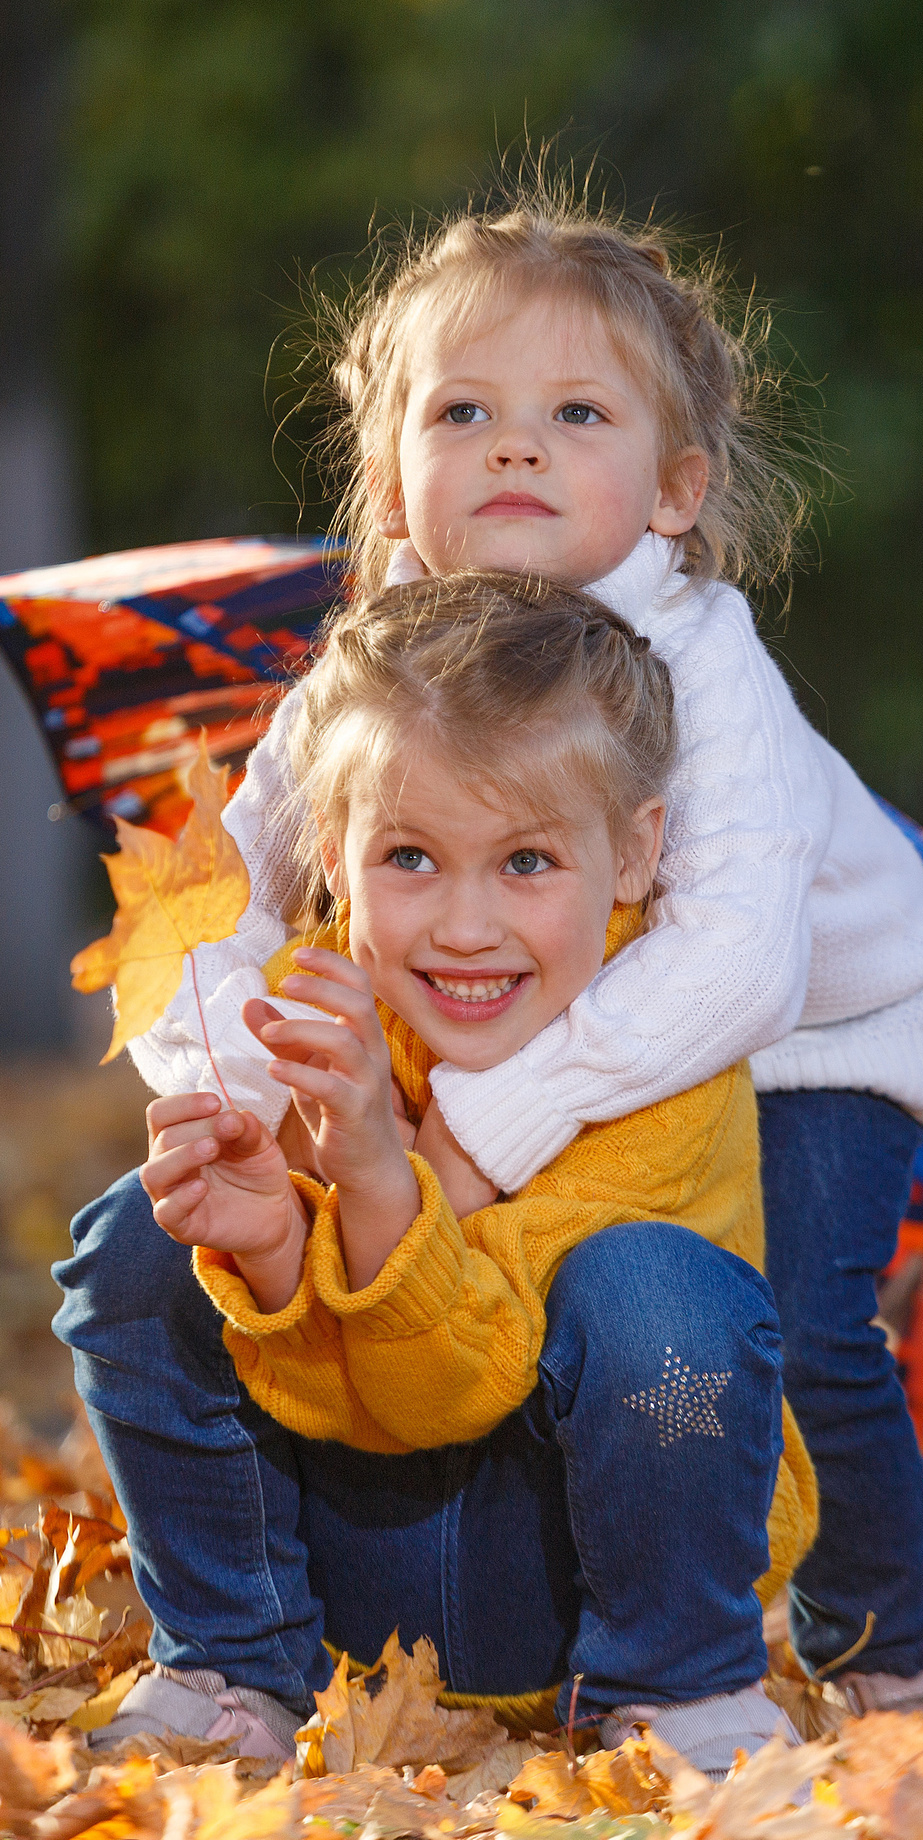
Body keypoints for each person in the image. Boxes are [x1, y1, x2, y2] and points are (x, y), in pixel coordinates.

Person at [108, 190, 923, 1717]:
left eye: (576, 414)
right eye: (464, 412)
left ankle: (891, 1647)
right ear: (392, 483)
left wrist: (477, 1132)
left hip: (815, 1025)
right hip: (558, 985)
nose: (515, 447)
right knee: (432, 1272)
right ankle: (292, 1640)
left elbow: (738, 969)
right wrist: (241, 1091)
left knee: (794, 1319)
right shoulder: (373, 673)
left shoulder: (707, 665)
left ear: (675, 489)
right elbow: (221, 903)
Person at [56, 572, 819, 1775]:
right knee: (141, 1243)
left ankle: (679, 1688)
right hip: (354, 1590)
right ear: (331, 852)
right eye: (409, 857)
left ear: (632, 853)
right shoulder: (310, 1017)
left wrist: (372, 1178)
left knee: (658, 1297)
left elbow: (449, 1391)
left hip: (574, 1572)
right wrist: (266, 1248)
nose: (465, 927)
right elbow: (338, 1389)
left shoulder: (659, 1059)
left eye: (526, 863)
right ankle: (233, 1666)